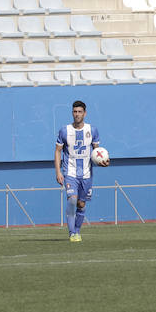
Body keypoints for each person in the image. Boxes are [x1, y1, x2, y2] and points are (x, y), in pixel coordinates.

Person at [54, 100, 108, 242]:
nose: (76, 114)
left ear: (85, 113)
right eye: (74, 111)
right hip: (70, 172)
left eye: (79, 112)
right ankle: (72, 233)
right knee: (72, 200)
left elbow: (97, 151)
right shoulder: (64, 130)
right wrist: (58, 172)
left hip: (86, 173)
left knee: (81, 204)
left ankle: (77, 230)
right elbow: (58, 151)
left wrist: (103, 161)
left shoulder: (92, 130)